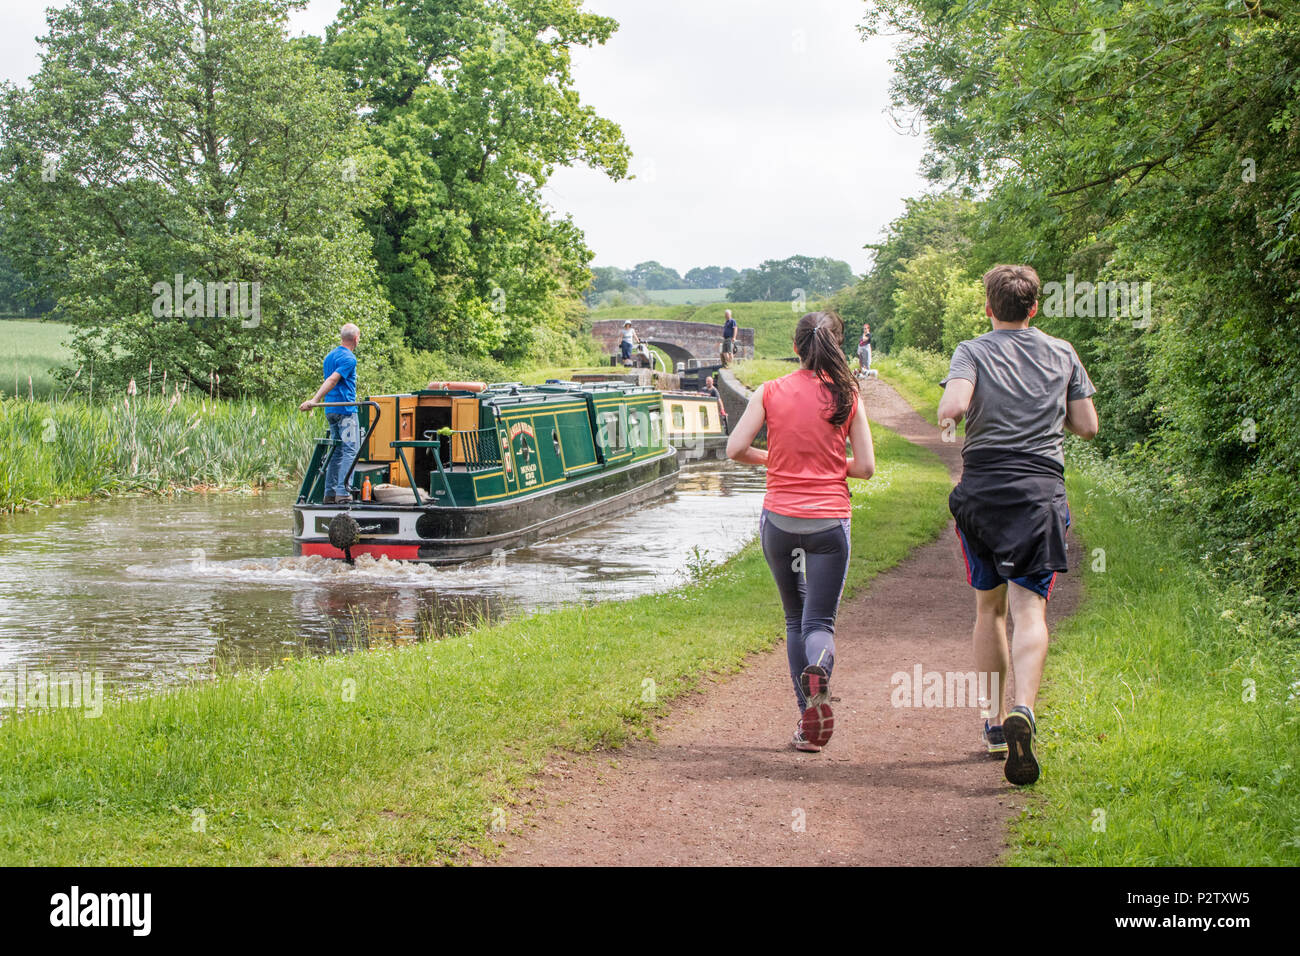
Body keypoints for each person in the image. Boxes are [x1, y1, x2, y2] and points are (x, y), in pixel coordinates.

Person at [937, 265, 1098, 786]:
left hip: (983, 489)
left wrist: (951, 416)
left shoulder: (972, 350)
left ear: (988, 307)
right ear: (1034, 308)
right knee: (1031, 610)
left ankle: (991, 724)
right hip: (1038, 492)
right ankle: (1023, 710)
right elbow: (1088, 426)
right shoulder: (1062, 352)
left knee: (989, 609)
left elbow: (954, 404)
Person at [727, 311, 875, 752]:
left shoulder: (770, 391)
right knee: (819, 621)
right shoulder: (848, 395)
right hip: (828, 523)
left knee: (795, 618)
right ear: (837, 346)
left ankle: (807, 721)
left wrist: (780, 462)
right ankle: (822, 663)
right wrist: (826, 467)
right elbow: (865, 468)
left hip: (779, 523)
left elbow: (735, 449)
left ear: (796, 348)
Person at [300, 323, 362, 504]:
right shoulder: (349, 358)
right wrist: (314, 400)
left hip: (331, 411)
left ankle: (330, 493)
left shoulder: (329, 356)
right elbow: (333, 379)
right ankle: (343, 492)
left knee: (336, 451)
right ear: (356, 339)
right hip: (345, 411)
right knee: (350, 450)